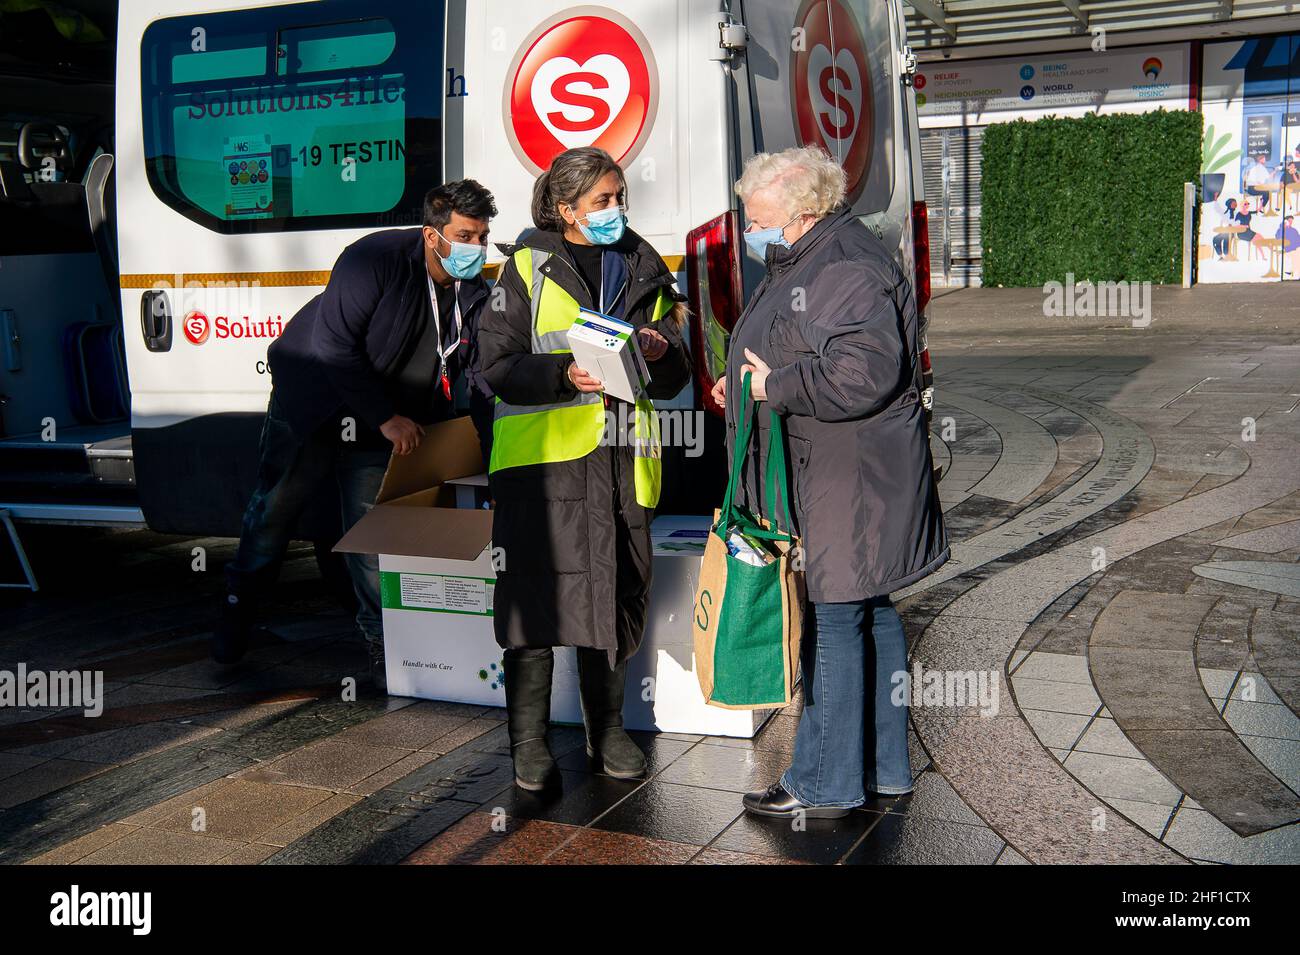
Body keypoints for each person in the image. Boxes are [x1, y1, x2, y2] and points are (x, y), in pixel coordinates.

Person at [710, 145, 948, 819]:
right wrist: (753, 383)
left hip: (849, 478)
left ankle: (825, 780)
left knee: (835, 620)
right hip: (851, 472)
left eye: (756, 215)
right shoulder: (820, 254)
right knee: (869, 612)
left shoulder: (841, 265)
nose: (749, 226)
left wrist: (770, 384)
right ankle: (882, 768)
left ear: (801, 210)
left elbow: (863, 373)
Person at [215, 180, 499, 690]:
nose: (475, 249)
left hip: (386, 420)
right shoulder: (373, 258)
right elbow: (334, 347)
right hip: (316, 401)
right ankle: (237, 614)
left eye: (482, 237)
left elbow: (471, 366)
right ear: (433, 235)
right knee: (274, 511)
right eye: (465, 236)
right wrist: (384, 416)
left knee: (376, 532)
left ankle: (382, 647)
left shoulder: (473, 286)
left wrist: (479, 434)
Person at [477, 146, 691, 791]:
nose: (615, 210)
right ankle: (529, 742)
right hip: (545, 468)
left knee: (618, 591)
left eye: (619, 196)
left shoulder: (645, 265)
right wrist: (562, 375)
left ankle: (608, 730)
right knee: (535, 598)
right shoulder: (522, 269)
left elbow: (679, 370)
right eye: (601, 201)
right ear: (565, 208)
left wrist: (659, 350)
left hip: (624, 457)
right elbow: (494, 368)